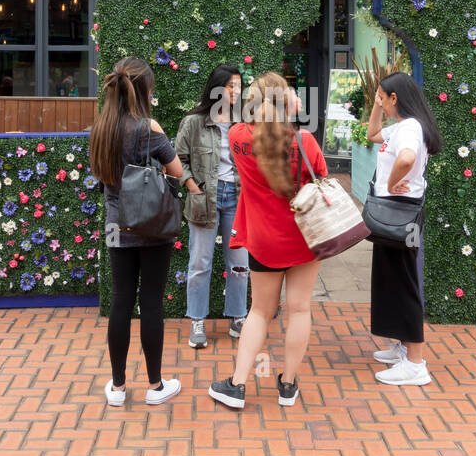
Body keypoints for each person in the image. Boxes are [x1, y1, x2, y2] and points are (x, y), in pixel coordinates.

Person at [209, 72, 325, 409]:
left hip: (263, 240)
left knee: (260, 311)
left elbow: (248, 125)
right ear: (286, 102)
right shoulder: (305, 142)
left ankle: (238, 385)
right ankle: (288, 385)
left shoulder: (237, 137)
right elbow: (322, 182)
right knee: (300, 309)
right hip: (305, 238)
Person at [89, 57, 184, 407]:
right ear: (144, 90)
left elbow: (101, 176)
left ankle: (116, 387)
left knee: (121, 299)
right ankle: (156, 386)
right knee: (152, 302)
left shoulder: (102, 128)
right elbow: (175, 171)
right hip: (153, 226)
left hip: (116, 224)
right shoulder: (149, 129)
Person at [365, 71, 443, 386]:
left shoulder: (410, 128)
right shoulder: (403, 127)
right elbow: (372, 135)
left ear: (395, 98)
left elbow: (408, 158)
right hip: (395, 214)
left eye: (383, 98)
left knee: (405, 283)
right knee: (393, 281)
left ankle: (415, 363)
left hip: (402, 213)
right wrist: (375, 104)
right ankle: (401, 346)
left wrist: (393, 182)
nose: (381, 103)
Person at [175, 64, 248, 348]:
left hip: (237, 198)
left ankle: (237, 317)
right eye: (231, 86)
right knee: (200, 262)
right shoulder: (194, 122)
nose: (236, 91)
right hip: (204, 198)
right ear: (217, 88)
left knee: (240, 264)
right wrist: (192, 186)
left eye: (239, 86)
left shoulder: (244, 121)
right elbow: (177, 160)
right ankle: (197, 321)